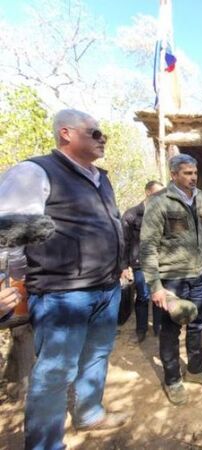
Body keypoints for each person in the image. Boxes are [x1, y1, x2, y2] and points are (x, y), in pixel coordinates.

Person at [0, 109, 129, 449]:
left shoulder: (102, 178)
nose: (103, 139)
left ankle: (89, 413)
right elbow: (7, 233)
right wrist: (9, 283)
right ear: (66, 134)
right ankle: (44, 444)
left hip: (106, 288)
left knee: (98, 355)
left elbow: (111, 226)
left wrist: (123, 264)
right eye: (96, 132)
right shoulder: (34, 171)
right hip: (61, 294)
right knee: (54, 374)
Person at [140, 154, 202, 405]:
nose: (193, 177)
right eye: (187, 173)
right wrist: (155, 286)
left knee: (198, 326)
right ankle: (173, 380)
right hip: (171, 281)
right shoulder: (160, 202)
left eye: (195, 172)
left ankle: (196, 370)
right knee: (169, 332)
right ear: (173, 175)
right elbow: (147, 246)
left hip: (199, 277)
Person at [121, 180, 164, 343]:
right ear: (148, 192)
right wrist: (124, 266)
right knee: (143, 296)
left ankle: (159, 327)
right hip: (140, 262)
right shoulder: (132, 214)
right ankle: (141, 330)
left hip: (160, 263)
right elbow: (124, 241)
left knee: (159, 294)